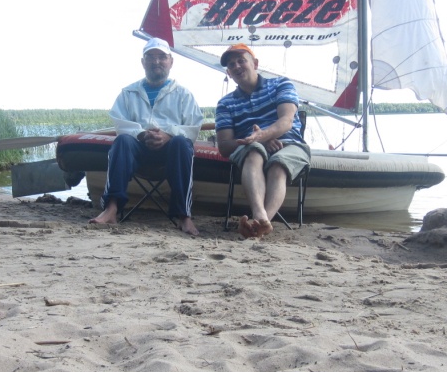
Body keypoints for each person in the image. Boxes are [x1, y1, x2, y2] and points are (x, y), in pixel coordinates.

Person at [89, 37, 203, 235]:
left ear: (171, 62)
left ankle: (184, 215)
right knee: (123, 140)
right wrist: (141, 134)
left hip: (170, 154)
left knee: (181, 143)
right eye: (150, 57)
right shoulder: (128, 93)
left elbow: (193, 128)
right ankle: (111, 209)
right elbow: (120, 123)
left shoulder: (184, 95)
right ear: (143, 62)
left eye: (162, 57)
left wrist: (168, 135)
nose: (156, 61)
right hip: (137, 152)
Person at [215, 43, 310, 239]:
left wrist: (263, 135)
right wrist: (256, 141)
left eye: (241, 60)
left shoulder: (281, 84)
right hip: (249, 146)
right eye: (231, 65)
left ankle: (259, 222)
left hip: (291, 143)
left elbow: (286, 121)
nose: (236, 66)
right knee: (254, 152)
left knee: (278, 165)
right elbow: (224, 146)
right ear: (229, 73)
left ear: (255, 63)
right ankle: (261, 219)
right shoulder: (225, 103)